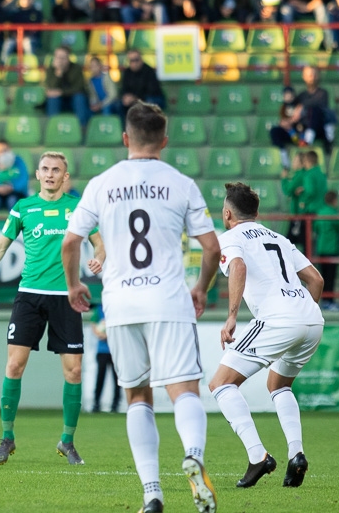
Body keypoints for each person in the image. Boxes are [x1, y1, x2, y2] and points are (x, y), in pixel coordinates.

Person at [62, 101, 220, 513]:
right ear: (164, 141)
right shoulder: (181, 183)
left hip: (121, 303)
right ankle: (194, 455)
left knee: (137, 397)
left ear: (125, 138)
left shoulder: (102, 183)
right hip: (168, 299)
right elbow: (211, 248)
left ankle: (152, 494)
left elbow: (71, 241)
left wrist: (74, 285)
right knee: (184, 390)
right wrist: (201, 288)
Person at [0, 151, 105, 466]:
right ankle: (7, 437)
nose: (49, 174)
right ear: (37, 174)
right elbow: (0, 247)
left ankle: (67, 441)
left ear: (65, 177)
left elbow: (100, 243)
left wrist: (99, 257)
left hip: (66, 297)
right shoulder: (23, 208)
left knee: (74, 371)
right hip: (29, 296)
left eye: (56, 170)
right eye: (45, 169)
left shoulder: (78, 208)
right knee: (14, 366)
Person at [208, 182, 325, 490]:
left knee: (220, 384)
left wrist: (232, 317)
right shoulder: (279, 238)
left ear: (227, 214)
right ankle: (296, 454)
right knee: (278, 384)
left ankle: (258, 456)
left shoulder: (229, 238)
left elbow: (238, 266)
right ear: (256, 213)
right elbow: (316, 280)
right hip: (312, 319)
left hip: (278, 319)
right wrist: (301, 316)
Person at [315, 190, 339, 312]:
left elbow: (315, 228)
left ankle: (324, 301)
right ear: (334, 200)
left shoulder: (319, 213)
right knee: (330, 277)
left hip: (321, 248)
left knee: (322, 277)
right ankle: (329, 302)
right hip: (331, 249)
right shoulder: (334, 214)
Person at [282, 150, 327, 254]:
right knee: (308, 240)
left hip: (308, 211)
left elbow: (309, 191)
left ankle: (297, 262)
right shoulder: (321, 174)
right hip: (320, 209)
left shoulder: (308, 174)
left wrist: (303, 200)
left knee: (299, 240)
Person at [44, 45, 91, 128]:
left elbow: (79, 87)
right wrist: (58, 72)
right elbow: (51, 87)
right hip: (59, 100)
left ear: (68, 58)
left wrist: (62, 92)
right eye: (58, 57)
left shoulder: (76, 68)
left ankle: (82, 127)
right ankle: (52, 126)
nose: (60, 60)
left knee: (79, 97)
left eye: (63, 58)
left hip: (73, 99)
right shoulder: (51, 69)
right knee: (52, 98)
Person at [0, 139, 29, 213]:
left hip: (15, 193)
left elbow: (24, 179)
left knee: (12, 200)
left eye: (4, 150)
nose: (2, 154)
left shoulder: (18, 162)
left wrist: (12, 187)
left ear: (10, 149)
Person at [90, 304, 121, 413]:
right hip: (102, 351)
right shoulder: (98, 309)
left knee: (116, 379)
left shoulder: (116, 308)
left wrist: (109, 335)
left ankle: (115, 404)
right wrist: (100, 334)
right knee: (100, 378)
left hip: (115, 351)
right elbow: (93, 324)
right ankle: (96, 403)